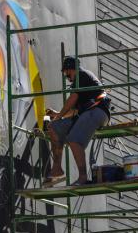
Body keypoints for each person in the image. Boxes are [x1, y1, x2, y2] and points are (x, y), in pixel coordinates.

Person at [44, 56, 110, 186]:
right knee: (54, 127)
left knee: (74, 140)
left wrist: (59, 115)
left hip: (97, 111)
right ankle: (57, 169)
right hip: (86, 113)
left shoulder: (81, 75)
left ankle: (83, 177)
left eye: (66, 72)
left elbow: (72, 99)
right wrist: (58, 115)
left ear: (71, 69)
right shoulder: (81, 83)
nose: (66, 77)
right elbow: (74, 111)